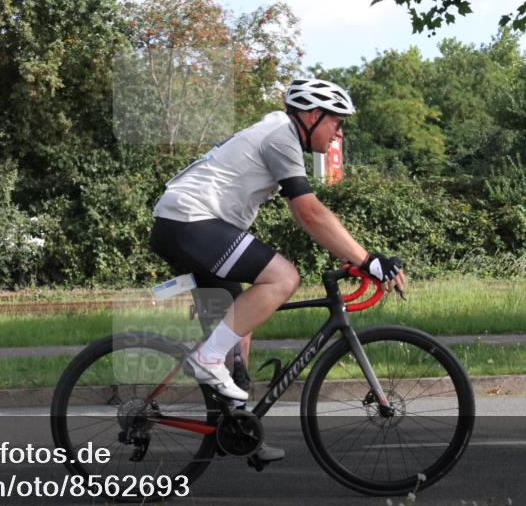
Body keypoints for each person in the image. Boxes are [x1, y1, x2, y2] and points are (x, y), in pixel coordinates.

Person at [149, 78, 407, 462]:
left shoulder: (275, 131)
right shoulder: (280, 135)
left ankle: (237, 429)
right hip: (190, 221)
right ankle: (206, 358)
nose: (339, 132)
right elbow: (309, 212)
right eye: (336, 121)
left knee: (239, 327)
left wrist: (356, 255)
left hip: (187, 223)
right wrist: (366, 259)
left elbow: (312, 215)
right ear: (310, 114)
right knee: (283, 277)